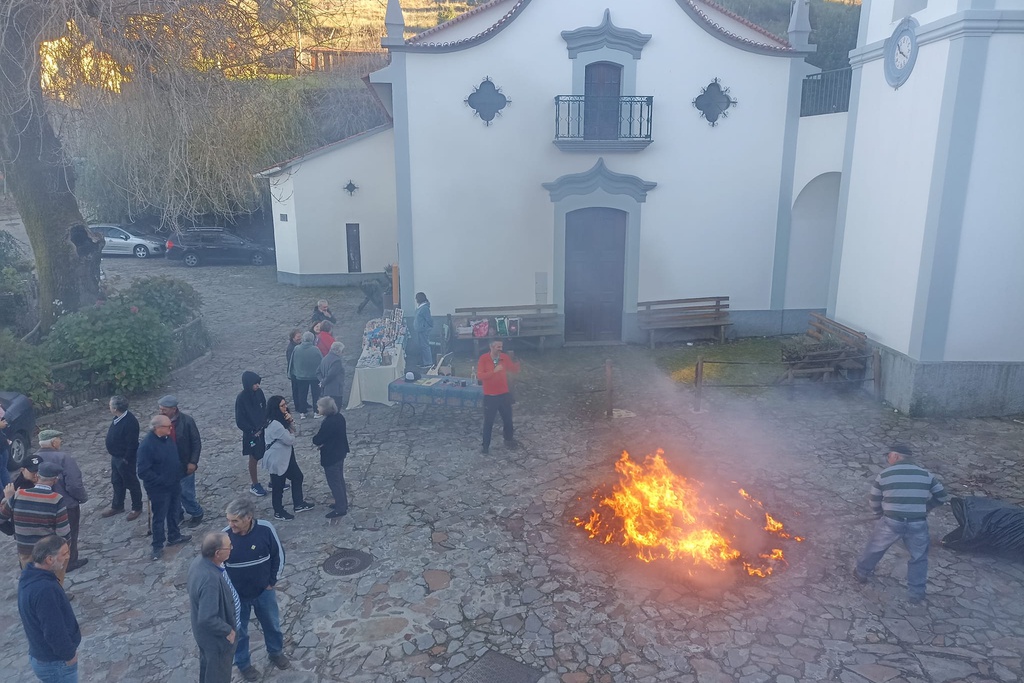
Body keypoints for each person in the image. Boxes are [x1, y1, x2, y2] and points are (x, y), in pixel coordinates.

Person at [854, 444, 949, 603]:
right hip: (917, 523)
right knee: (919, 557)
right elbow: (942, 496)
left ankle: (861, 573)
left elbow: (874, 499)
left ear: (896, 456)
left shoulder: (885, 475)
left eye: (889, 456)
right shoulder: (926, 475)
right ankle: (916, 593)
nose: (888, 459)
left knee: (875, 547)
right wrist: (927, 507)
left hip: (892, 521)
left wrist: (878, 513)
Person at [223, 498, 290, 680]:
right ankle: (244, 664)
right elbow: (219, 568)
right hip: (238, 597)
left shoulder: (266, 529)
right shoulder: (224, 537)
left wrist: (272, 581)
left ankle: (276, 652)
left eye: (235, 521)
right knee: (240, 633)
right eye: (229, 520)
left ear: (248, 517)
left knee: (272, 625)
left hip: (263, 592)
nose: (231, 525)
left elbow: (279, 555)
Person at [18, 536, 80, 683]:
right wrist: (70, 655)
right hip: (55, 663)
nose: (68, 557)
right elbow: (53, 630)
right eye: (64, 554)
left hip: (43, 657)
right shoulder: (45, 590)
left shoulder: (30, 575)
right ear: (49, 559)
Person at [1, 462, 71, 584]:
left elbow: (2, 517)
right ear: (55, 480)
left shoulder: (18, 494)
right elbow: (63, 532)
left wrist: (7, 499)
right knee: (53, 581)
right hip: (48, 551)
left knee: (31, 580)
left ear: (37, 476)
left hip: (25, 549)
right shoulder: (56, 499)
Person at [137, 415, 192, 561]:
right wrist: (161, 480)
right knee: (160, 517)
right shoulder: (147, 446)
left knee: (174, 511)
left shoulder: (167, 439)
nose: (171, 428)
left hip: (174, 483)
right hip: (159, 488)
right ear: (157, 428)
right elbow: (143, 471)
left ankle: (174, 536)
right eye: (168, 426)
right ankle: (157, 545)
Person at [187, 532, 239, 683]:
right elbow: (207, 618)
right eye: (229, 546)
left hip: (203, 636)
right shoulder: (210, 579)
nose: (232, 548)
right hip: (216, 640)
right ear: (217, 553)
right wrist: (227, 630)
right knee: (218, 675)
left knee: (208, 670)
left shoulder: (199, 562)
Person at [34, 431, 89, 572]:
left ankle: (50, 562)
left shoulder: (33, 459)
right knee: (69, 534)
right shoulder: (64, 458)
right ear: (53, 443)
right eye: (59, 439)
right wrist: (82, 498)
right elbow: (74, 484)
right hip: (66, 505)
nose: (61, 441)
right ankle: (69, 562)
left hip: (40, 505)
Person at [262, 396, 314, 520]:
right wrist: (291, 430)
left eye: (285, 404)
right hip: (278, 459)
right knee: (278, 486)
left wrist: (290, 421)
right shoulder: (275, 425)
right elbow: (290, 439)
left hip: (286, 456)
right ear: (276, 408)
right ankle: (278, 511)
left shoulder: (279, 420)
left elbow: (294, 430)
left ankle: (298, 504)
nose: (285, 407)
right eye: (282, 405)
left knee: (297, 477)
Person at [158, 395, 205, 527]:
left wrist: (193, 462)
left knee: (186, 492)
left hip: (184, 464)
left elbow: (196, 443)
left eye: (164, 409)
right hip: (167, 466)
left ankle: (196, 512)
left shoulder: (187, 421)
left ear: (173, 409)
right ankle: (177, 514)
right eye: (160, 409)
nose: (161, 412)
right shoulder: (159, 422)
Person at [101, 395, 143, 522]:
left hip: (124, 459)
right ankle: (117, 506)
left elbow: (132, 444)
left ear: (115, 408)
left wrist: (126, 460)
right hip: (116, 457)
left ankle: (137, 507)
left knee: (131, 483)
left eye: (110, 405)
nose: (109, 407)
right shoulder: (117, 418)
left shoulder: (130, 422)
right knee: (116, 482)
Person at [476, 340, 520, 455]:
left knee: (508, 420)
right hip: (490, 397)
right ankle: (485, 446)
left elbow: (513, 369)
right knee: (488, 422)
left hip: (504, 394)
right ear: (491, 347)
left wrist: (518, 364)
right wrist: (494, 371)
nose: (500, 349)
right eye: (497, 347)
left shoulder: (504, 357)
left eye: (501, 346)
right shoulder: (484, 359)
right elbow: (480, 376)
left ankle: (509, 440)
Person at [312, 397, 350, 519]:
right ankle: (343, 503)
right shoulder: (340, 417)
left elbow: (317, 439)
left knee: (334, 483)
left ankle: (340, 508)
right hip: (340, 452)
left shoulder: (328, 423)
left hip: (331, 456)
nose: (318, 408)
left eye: (319, 407)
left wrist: (319, 442)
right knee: (339, 480)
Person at [234, 372, 268, 497]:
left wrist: (265, 423)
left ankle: (273, 480)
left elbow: (264, 408)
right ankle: (255, 484)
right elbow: (240, 420)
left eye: (258, 383)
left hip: (263, 429)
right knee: (253, 457)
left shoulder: (259, 393)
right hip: (251, 434)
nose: (257, 386)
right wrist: (252, 431)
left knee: (268, 453)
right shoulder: (241, 398)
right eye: (255, 384)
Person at [288, 331, 323, 417]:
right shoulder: (316, 349)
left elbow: (292, 362)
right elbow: (321, 362)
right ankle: (316, 412)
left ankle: (302, 412)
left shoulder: (297, 348)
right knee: (315, 394)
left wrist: (291, 373)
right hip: (314, 376)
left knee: (302, 394)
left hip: (300, 376)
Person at [317, 341, 346, 410]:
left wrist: (322, 381)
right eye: (342, 351)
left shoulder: (325, 358)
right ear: (338, 351)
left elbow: (318, 372)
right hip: (335, 390)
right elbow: (331, 375)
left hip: (326, 390)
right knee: (336, 409)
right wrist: (323, 382)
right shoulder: (337, 361)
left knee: (329, 410)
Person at [413, 291, 433, 368]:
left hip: (423, 330)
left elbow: (429, 319)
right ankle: (424, 361)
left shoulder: (424, 308)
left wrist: (427, 327)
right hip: (420, 329)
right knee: (422, 346)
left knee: (425, 346)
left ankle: (428, 363)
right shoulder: (421, 307)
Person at [285, 328, 303, 412]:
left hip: (299, 371)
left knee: (301, 389)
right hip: (294, 372)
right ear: (293, 337)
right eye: (298, 336)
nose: (299, 338)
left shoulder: (299, 344)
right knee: (296, 390)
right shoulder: (291, 348)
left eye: (300, 336)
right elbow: (291, 361)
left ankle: (304, 403)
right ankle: (298, 407)